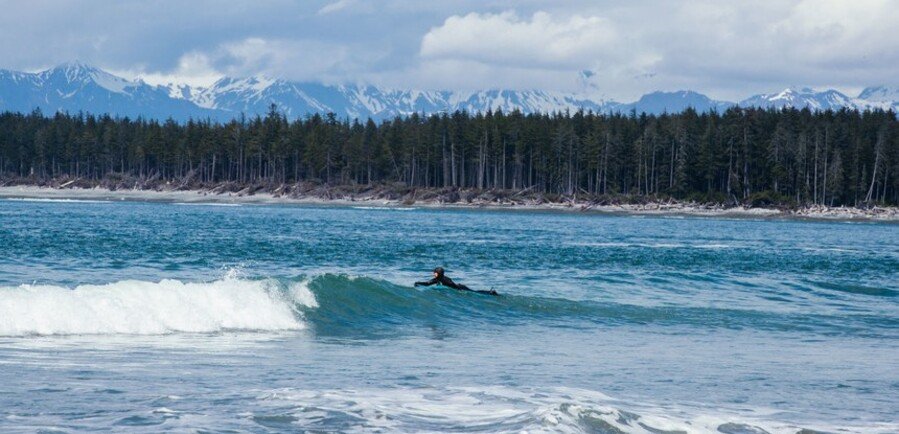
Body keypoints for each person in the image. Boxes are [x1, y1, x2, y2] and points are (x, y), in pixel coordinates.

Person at [415, 267, 498, 295]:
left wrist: (418, 283)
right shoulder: (444, 278)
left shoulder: (439, 279)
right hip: (460, 286)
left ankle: (490, 293)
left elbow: (427, 283)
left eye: (435, 273)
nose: (434, 274)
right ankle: (490, 292)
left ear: (437, 274)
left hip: (460, 287)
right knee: (475, 291)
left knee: (475, 292)